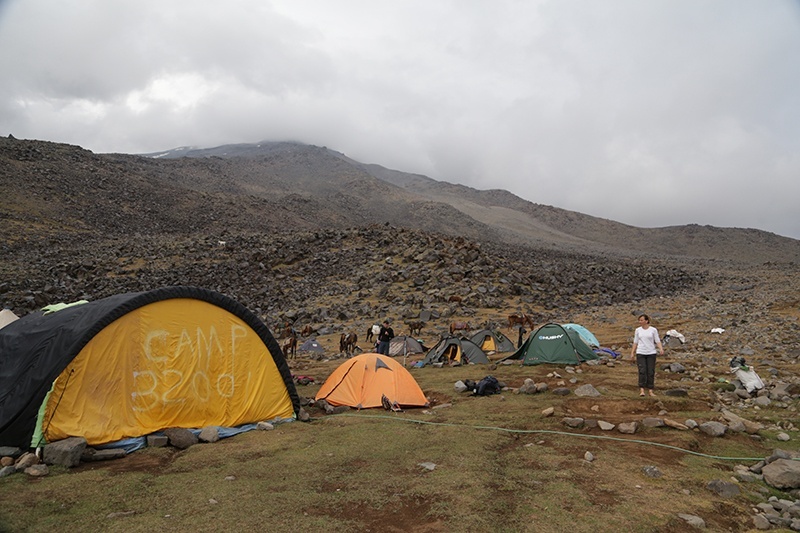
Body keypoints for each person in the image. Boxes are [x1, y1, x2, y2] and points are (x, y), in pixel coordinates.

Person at [630, 314, 664, 397]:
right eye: (639, 320)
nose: (640, 322)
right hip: (641, 352)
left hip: (651, 353)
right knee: (642, 371)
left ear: (646, 321)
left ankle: (650, 390)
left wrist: (661, 348)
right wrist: (632, 352)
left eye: (641, 320)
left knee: (650, 371)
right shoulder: (638, 330)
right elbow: (635, 341)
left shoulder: (653, 330)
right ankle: (642, 390)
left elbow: (657, 340)